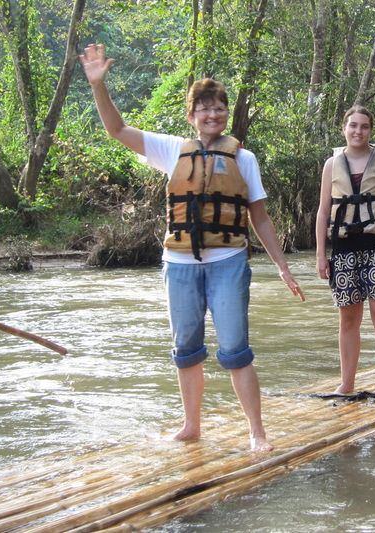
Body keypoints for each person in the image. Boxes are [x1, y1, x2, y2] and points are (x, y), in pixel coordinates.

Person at [80, 44, 304, 452]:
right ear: (191, 116)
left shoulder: (244, 159)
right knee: (187, 349)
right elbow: (117, 130)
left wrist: (283, 267)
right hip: (179, 264)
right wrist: (99, 86)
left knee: (236, 348)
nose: (212, 115)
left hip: (228, 262)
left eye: (218, 108)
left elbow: (261, 218)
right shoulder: (171, 149)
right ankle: (191, 426)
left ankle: (257, 431)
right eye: (204, 108)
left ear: (225, 114)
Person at [315, 105, 375, 395]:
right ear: (344, 128)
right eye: (353, 126)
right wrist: (320, 253)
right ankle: (347, 384)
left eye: (364, 126)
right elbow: (323, 212)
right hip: (343, 250)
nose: (358, 131)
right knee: (348, 320)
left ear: (371, 130)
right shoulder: (332, 165)